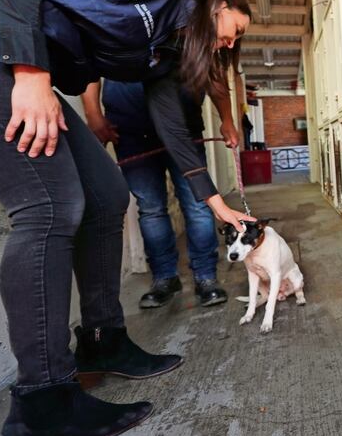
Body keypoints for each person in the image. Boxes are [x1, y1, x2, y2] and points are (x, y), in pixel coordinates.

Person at [0, 0, 257, 436]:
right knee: (50, 206)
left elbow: (173, 133)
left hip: (15, 66)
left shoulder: (164, 51)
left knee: (108, 195)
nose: (229, 45)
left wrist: (215, 202)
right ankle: (42, 401)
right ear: (219, 5)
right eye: (233, 32)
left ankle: (104, 340)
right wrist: (32, 74)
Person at [81, 77, 235, 309]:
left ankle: (206, 276)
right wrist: (93, 115)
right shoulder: (113, 40)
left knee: (197, 204)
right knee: (150, 209)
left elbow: (212, 74)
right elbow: (92, 68)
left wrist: (228, 119)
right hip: (130, 131)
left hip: (184, 128)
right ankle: (165, 278)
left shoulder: (189, 40)